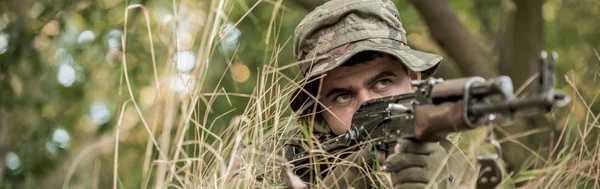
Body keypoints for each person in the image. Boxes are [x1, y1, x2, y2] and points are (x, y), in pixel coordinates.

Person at [283, 0, 471, 188]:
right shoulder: (285, 158)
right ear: (318, 107)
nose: (367, 104)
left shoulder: (452, 161)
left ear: (414, 79)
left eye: (382, 83)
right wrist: (347, 179)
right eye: (343, 96)